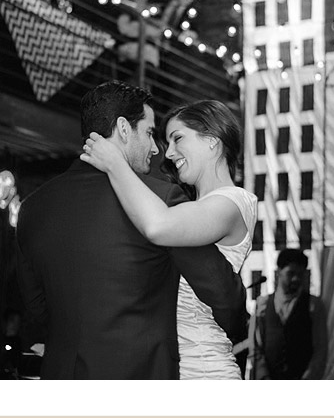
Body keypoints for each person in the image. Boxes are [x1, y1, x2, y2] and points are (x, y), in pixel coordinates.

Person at [16, 81, 247, 379]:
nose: (155, 150)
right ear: (124, 129)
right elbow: (222, 293)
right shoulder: (161, 200)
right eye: (150, 133)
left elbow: (36, 308)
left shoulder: (32, 207)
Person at [80, 98, 257, 380]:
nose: (169, 153)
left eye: (177, 139)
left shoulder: (233, 202)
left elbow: (158, 226)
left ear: (212, 140)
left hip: (204, 370)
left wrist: (116, 163)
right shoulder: (196, 205)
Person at [249, 249, 328, 379]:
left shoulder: (314, 305)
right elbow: (256, 347)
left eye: (300, 274)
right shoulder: (262, 304)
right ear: (279, 272)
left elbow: (320, 349)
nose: (296, 279)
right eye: (291, 273)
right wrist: (263, 377)